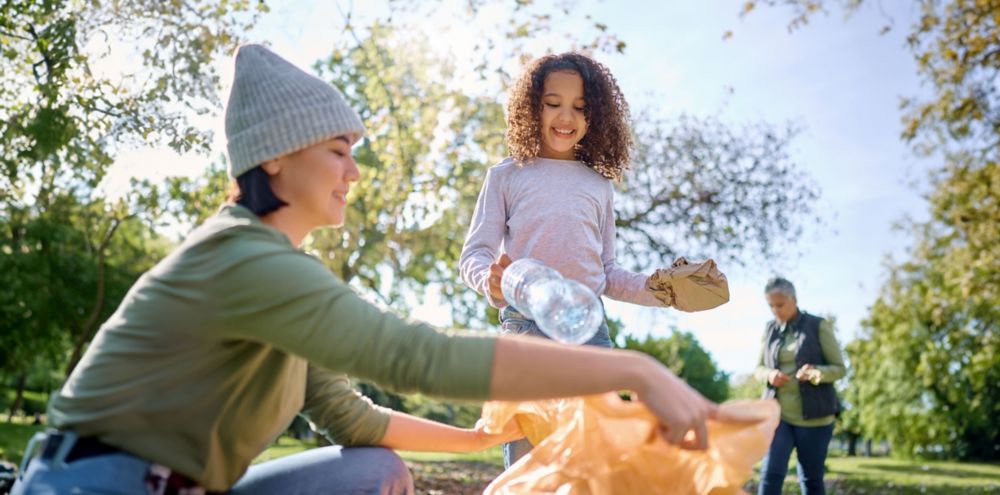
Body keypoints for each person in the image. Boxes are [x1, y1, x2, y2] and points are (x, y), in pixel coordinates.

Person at [11, 45, 717, 495]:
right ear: (276, 158)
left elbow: (350, 416)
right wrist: (636, 370)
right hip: (95, 482)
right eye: (338, 150)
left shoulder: (286, 273)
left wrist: (478, 436)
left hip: (189, 485)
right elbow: (413, 354)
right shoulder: (241, 257)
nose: (354, 169)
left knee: (376, 470)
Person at [459, 52, 716, 468]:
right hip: (526, 328)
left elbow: (607, 272)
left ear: (595, 116)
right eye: (553, 103)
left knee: (593, 456)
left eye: (580, 107)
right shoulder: (505, 176)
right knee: (529, 461)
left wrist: (658, 289)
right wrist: (487, 279)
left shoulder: (599, 186)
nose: (566, 116)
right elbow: (474, 254)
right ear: (532, 106)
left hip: (589, 330)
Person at [754, 277, 846, 495]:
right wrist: (770, 375)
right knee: (770, 474)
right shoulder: (769, 329)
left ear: (793, 299)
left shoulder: (818, 326)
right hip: (779, 415)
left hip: (815, 417)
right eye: (770, 306)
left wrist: (816, 373)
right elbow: (758, 367)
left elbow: (840, 368)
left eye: (780, 305)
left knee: (811, 479)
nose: (775, 311)